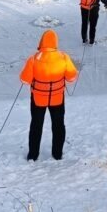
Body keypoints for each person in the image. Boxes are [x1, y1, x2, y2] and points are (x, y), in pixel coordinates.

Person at [19, 29, 78, 161]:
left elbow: (24, 80)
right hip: (57, 99)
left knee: (36, 125)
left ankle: (33, 155)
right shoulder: (64, 57)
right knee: (58, 125)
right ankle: (57, 154)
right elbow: (72, 77)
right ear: (55, 43)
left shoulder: (33, 59)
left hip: (38, 100)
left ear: (41, 42)